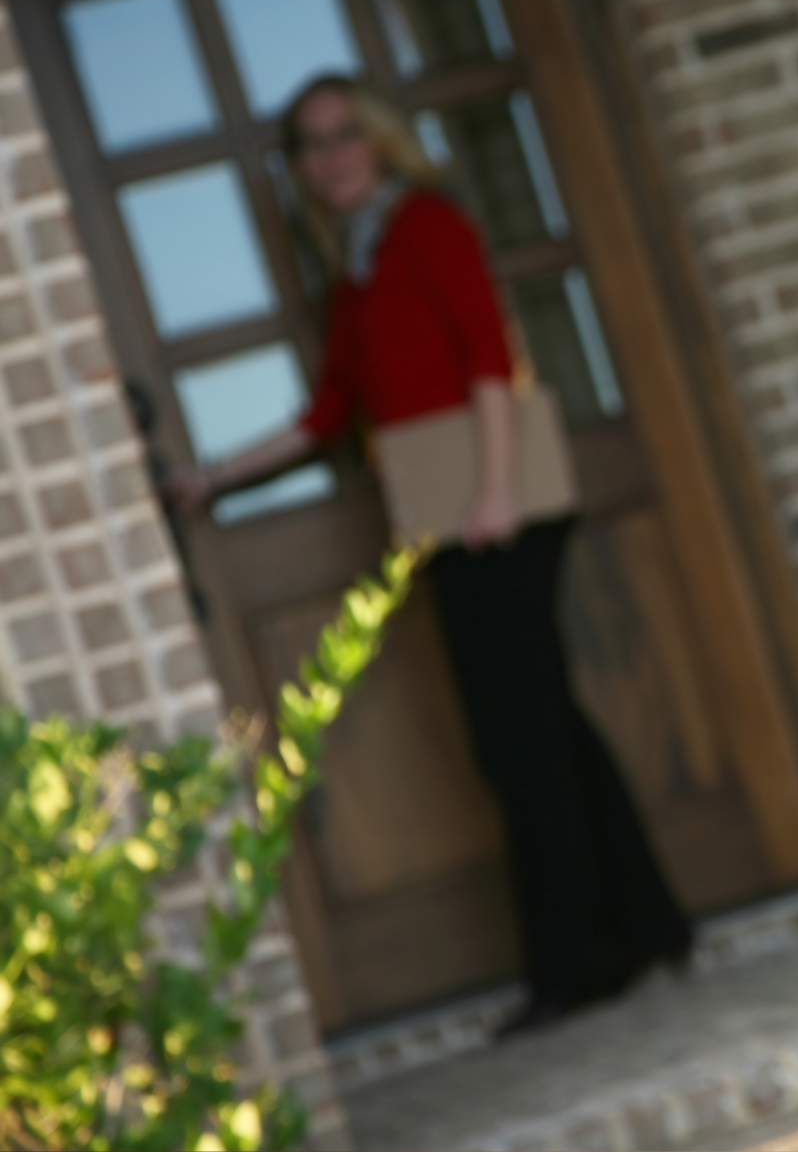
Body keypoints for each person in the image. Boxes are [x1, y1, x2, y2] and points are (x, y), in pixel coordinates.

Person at [166, 75, 692, 1034]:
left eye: (343, 136)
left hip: (499, 514)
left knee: (518, 740)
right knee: (544, 729)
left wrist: (493, 490)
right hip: (449, 519)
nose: (330, 157)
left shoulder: (425, 227)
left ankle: (576, 968)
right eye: (309, 145)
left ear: (377, 140)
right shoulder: (355, 270)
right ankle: (647, 926)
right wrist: (215, 477)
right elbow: (329, 413)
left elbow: (488, 356)